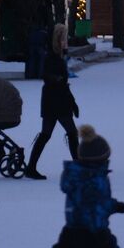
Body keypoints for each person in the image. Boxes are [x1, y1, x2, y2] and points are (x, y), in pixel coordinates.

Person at [25, 24, 80, 180]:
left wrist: (72, 101)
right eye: (64, 38)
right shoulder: (52, 56)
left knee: (47, 134)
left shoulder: (57, 56)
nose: (66, 41)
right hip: (56, 100)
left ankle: (31, 167)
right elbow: (46, 75)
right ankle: (78, 166)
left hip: (55, 99)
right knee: (71, 132)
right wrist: (57, 80)